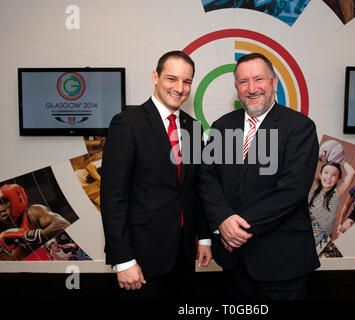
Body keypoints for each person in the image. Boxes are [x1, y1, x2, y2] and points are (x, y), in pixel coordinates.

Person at [199, 52, 320, 300]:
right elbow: (207, 178)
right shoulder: (222, 126)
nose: (252, 88)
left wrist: (235, 227)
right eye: (243, 82)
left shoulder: (300, 127)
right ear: (236, 88)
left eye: (259, 79)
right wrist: (222, 218)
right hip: (233, 262)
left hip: (282, 262)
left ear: (274, 83)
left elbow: (291, 190)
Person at [100, 51, 212, 300]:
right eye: (171, 78)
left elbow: (194, 188)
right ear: (155, 77)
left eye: (186, 81)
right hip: (140, 259)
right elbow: (112, 198)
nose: (179, 88)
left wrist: (203, 237)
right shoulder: (127, 124)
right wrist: (123, 260)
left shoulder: (193, 128)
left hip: (183, 256)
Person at [0, 183, 70, 261]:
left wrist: (27, 237)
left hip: (74, 254)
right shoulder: (18, 231)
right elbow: (15, 262)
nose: (1, 209)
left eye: (4, 202)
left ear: (18, 198)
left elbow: (63, 224)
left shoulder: (33, 212)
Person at [308, 160, 355, 238]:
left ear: (338, 179)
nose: (329, 177)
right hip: (306, 230)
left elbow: (352, 173)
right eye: (326, 173)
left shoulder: (337, 193)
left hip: (322, 236)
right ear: (320, 175)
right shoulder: (314, 188)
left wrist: (342, 161)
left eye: (334, 175)